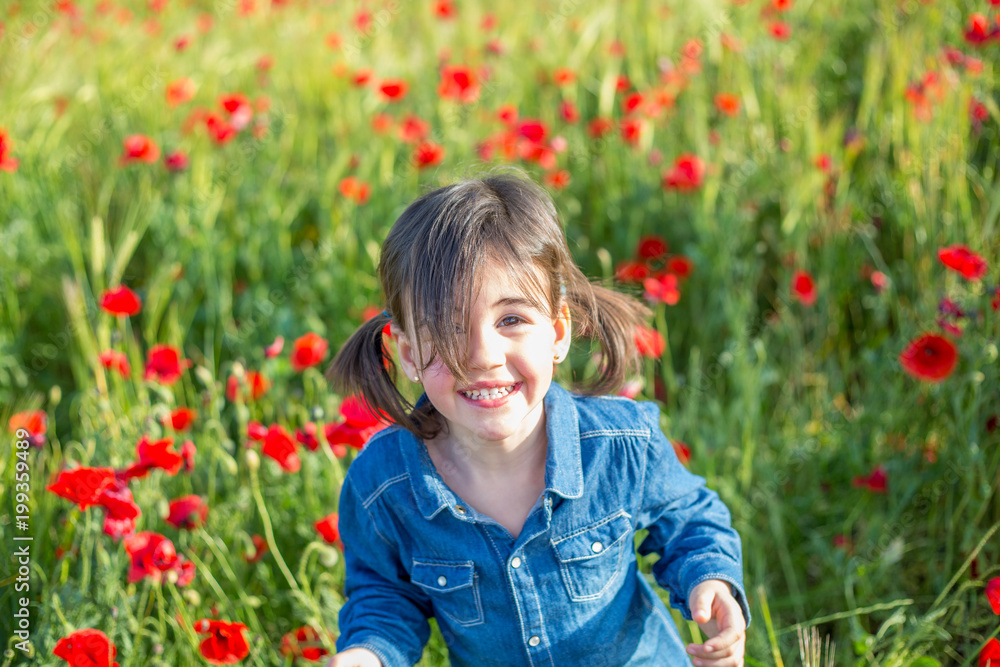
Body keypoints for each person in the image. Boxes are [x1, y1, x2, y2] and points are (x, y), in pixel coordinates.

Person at [324, 171, 750, 667]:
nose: (482, 356)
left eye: (511, 320)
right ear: (408, 352)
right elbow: (385, 597)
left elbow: (689, 520)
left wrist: (711, 580)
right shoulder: (385, 484)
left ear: (558, 331)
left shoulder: (619, 445)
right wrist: (367, 654)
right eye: (446, 325)